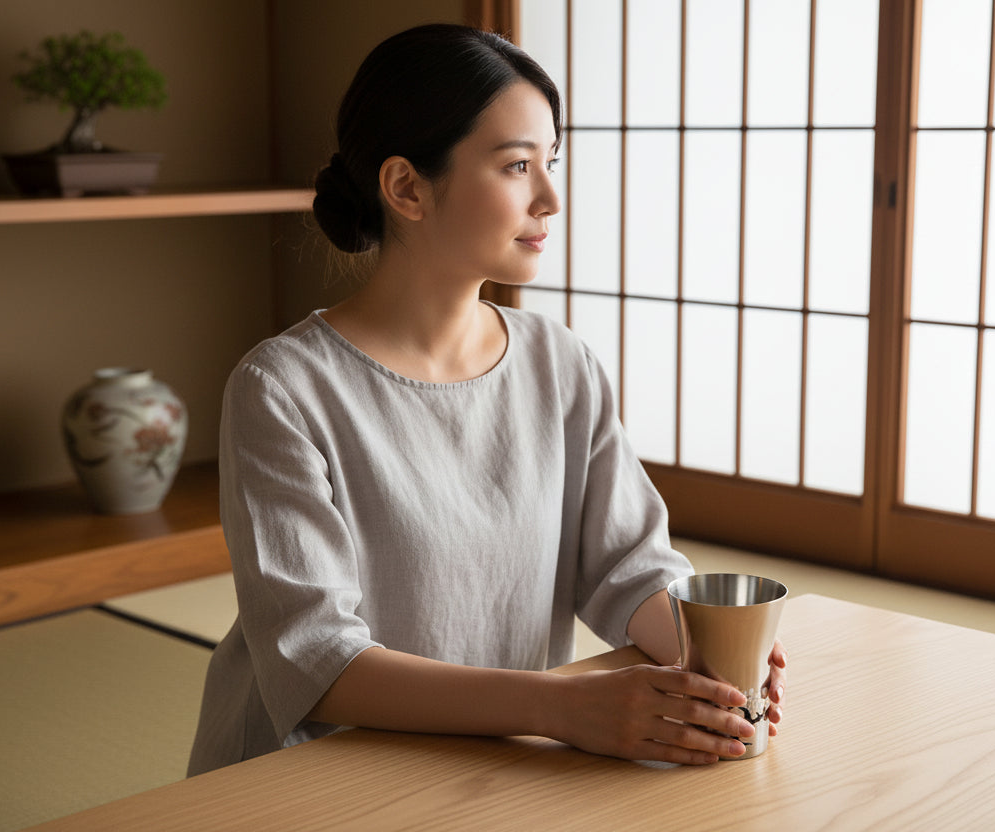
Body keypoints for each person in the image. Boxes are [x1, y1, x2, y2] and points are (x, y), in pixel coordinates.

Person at [187, 23, 786, 776]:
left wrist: (712, 653)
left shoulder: (560, 364)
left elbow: (626, 567)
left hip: (496, 766)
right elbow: (317, 660)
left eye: (552, 163)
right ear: (407, 187)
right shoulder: (282, 390)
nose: (551, 198)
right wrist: (559, 709)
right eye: (516, 166)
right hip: (307, 777)